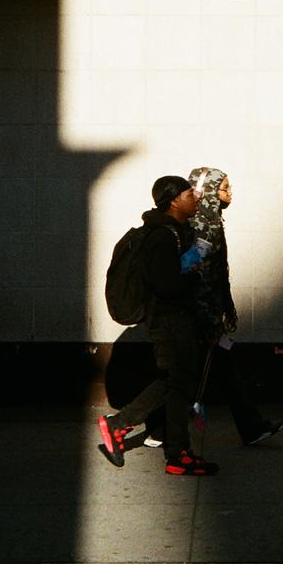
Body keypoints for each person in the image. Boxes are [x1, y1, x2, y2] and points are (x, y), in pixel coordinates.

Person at [143, 166, 283, 449]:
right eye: (224, 187)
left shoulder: (205, 220)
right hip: (198, 316)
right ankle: (154, 428)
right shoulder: (204, 226)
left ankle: (250, 427)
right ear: (208, 190)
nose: (230, 193)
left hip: (201, 313)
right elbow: (203, 277)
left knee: (212, 371)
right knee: (186, 376)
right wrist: (211, 320)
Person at [98, 175, 219, 477]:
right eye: (189, 194)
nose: (196, 198)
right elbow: (166, 286)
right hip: (169, 321)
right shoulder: (162, 237)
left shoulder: (173, 233)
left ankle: (127, 428)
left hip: (175, 320)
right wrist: (194, 274)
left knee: (174, 384)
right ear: (174, 200)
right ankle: (176, 453)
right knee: (178, 387)